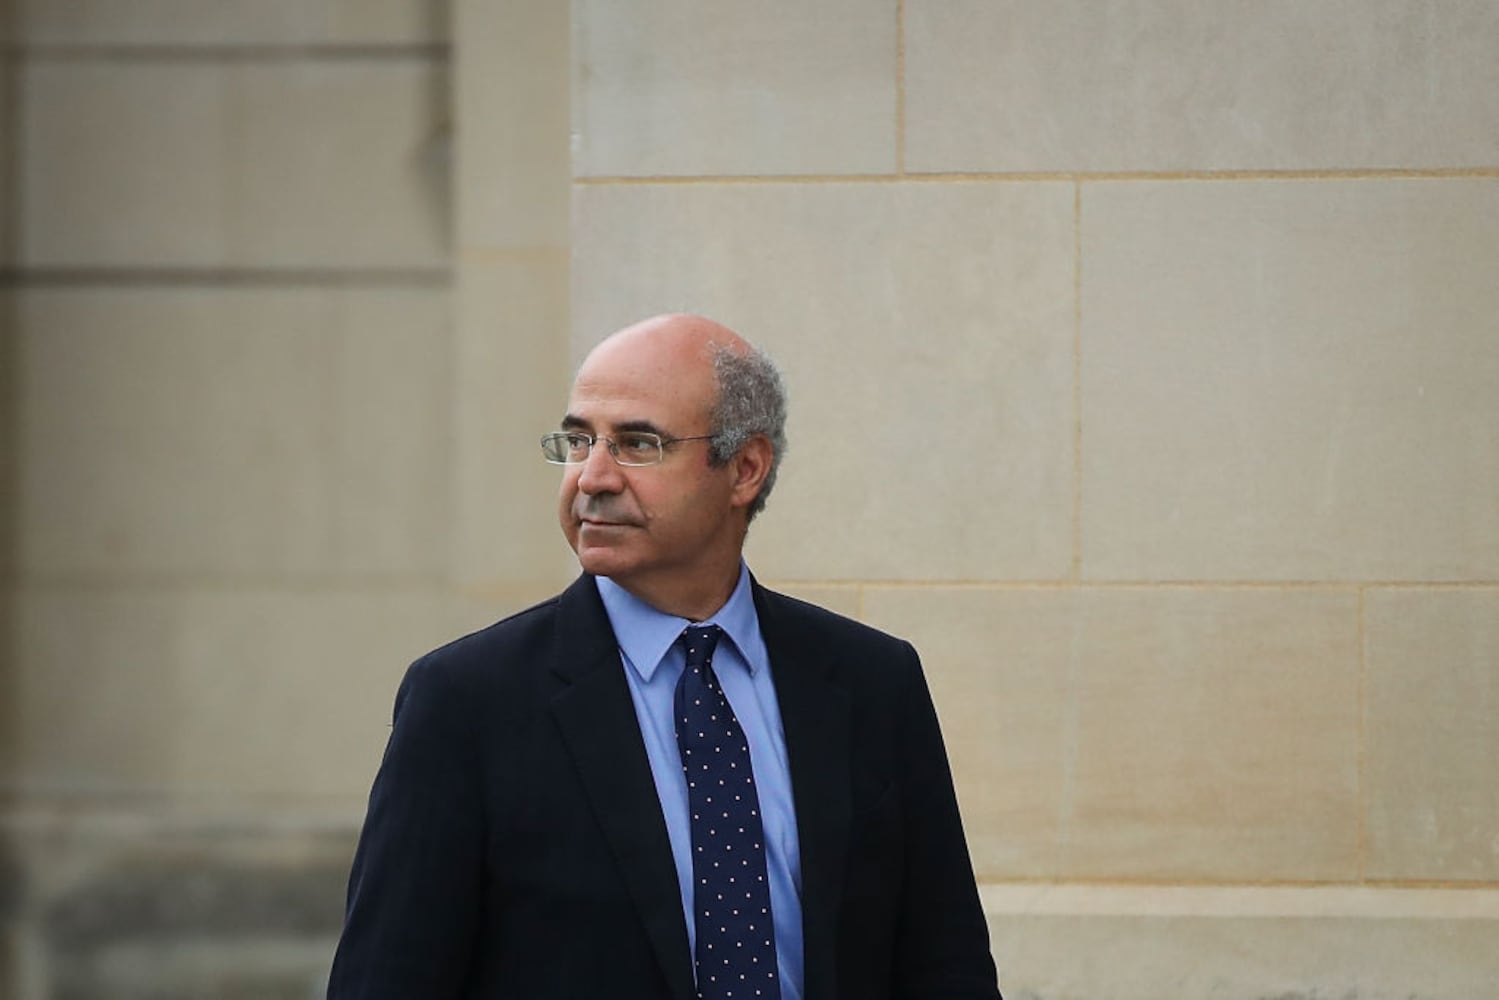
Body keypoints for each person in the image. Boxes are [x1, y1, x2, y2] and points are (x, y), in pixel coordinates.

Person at [327, 314, 1002, 999]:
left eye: (637, 444)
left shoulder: (872, 682)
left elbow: (944, 964)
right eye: (577, 440)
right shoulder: (467, 700)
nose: (591, 477)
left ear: (744, 468)